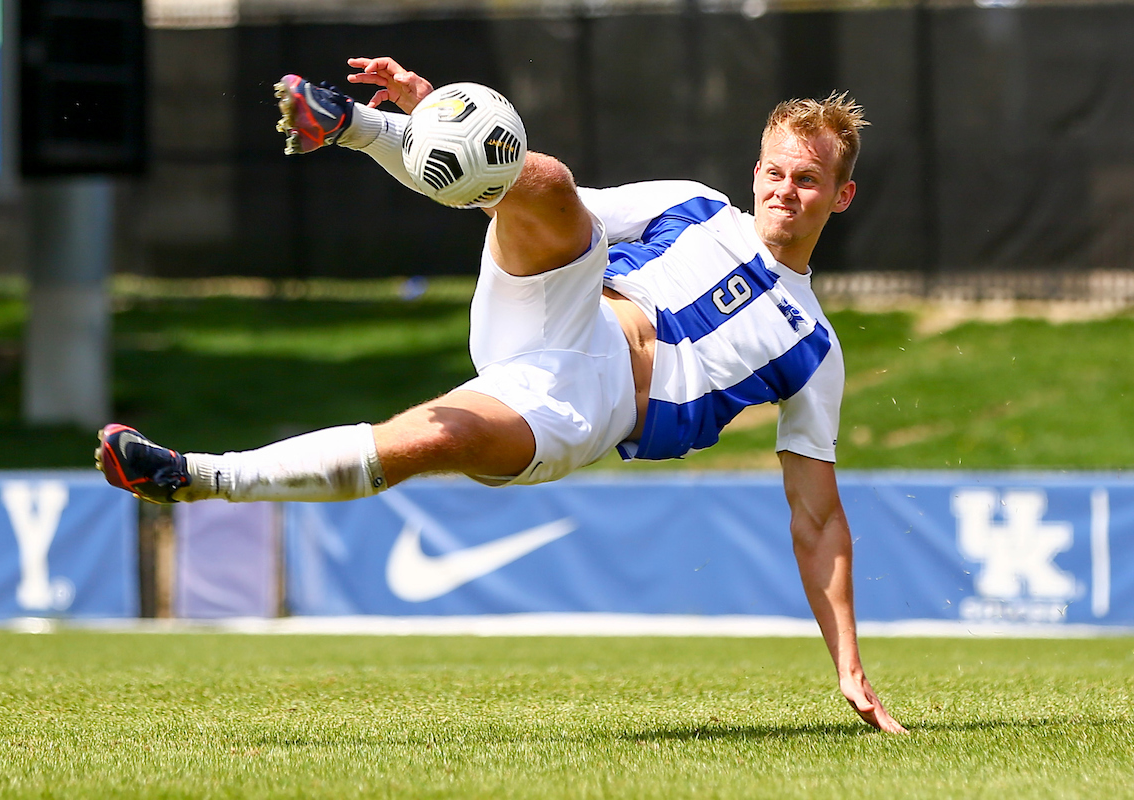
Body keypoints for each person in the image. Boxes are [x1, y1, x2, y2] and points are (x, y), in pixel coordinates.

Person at [97, 57, 906, 734]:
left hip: (583, 408)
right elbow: (533, 201)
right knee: (548, 180)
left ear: (840, 196)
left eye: (807, 180)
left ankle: (189, 475)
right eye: (773, 171)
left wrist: (849, 666)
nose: (784, 191)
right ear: (754, 169)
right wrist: (431, 121)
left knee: (428, 442)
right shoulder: (689, 205)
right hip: (562, 306)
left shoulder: (813, 347)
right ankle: (352, 124)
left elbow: (818, 516)